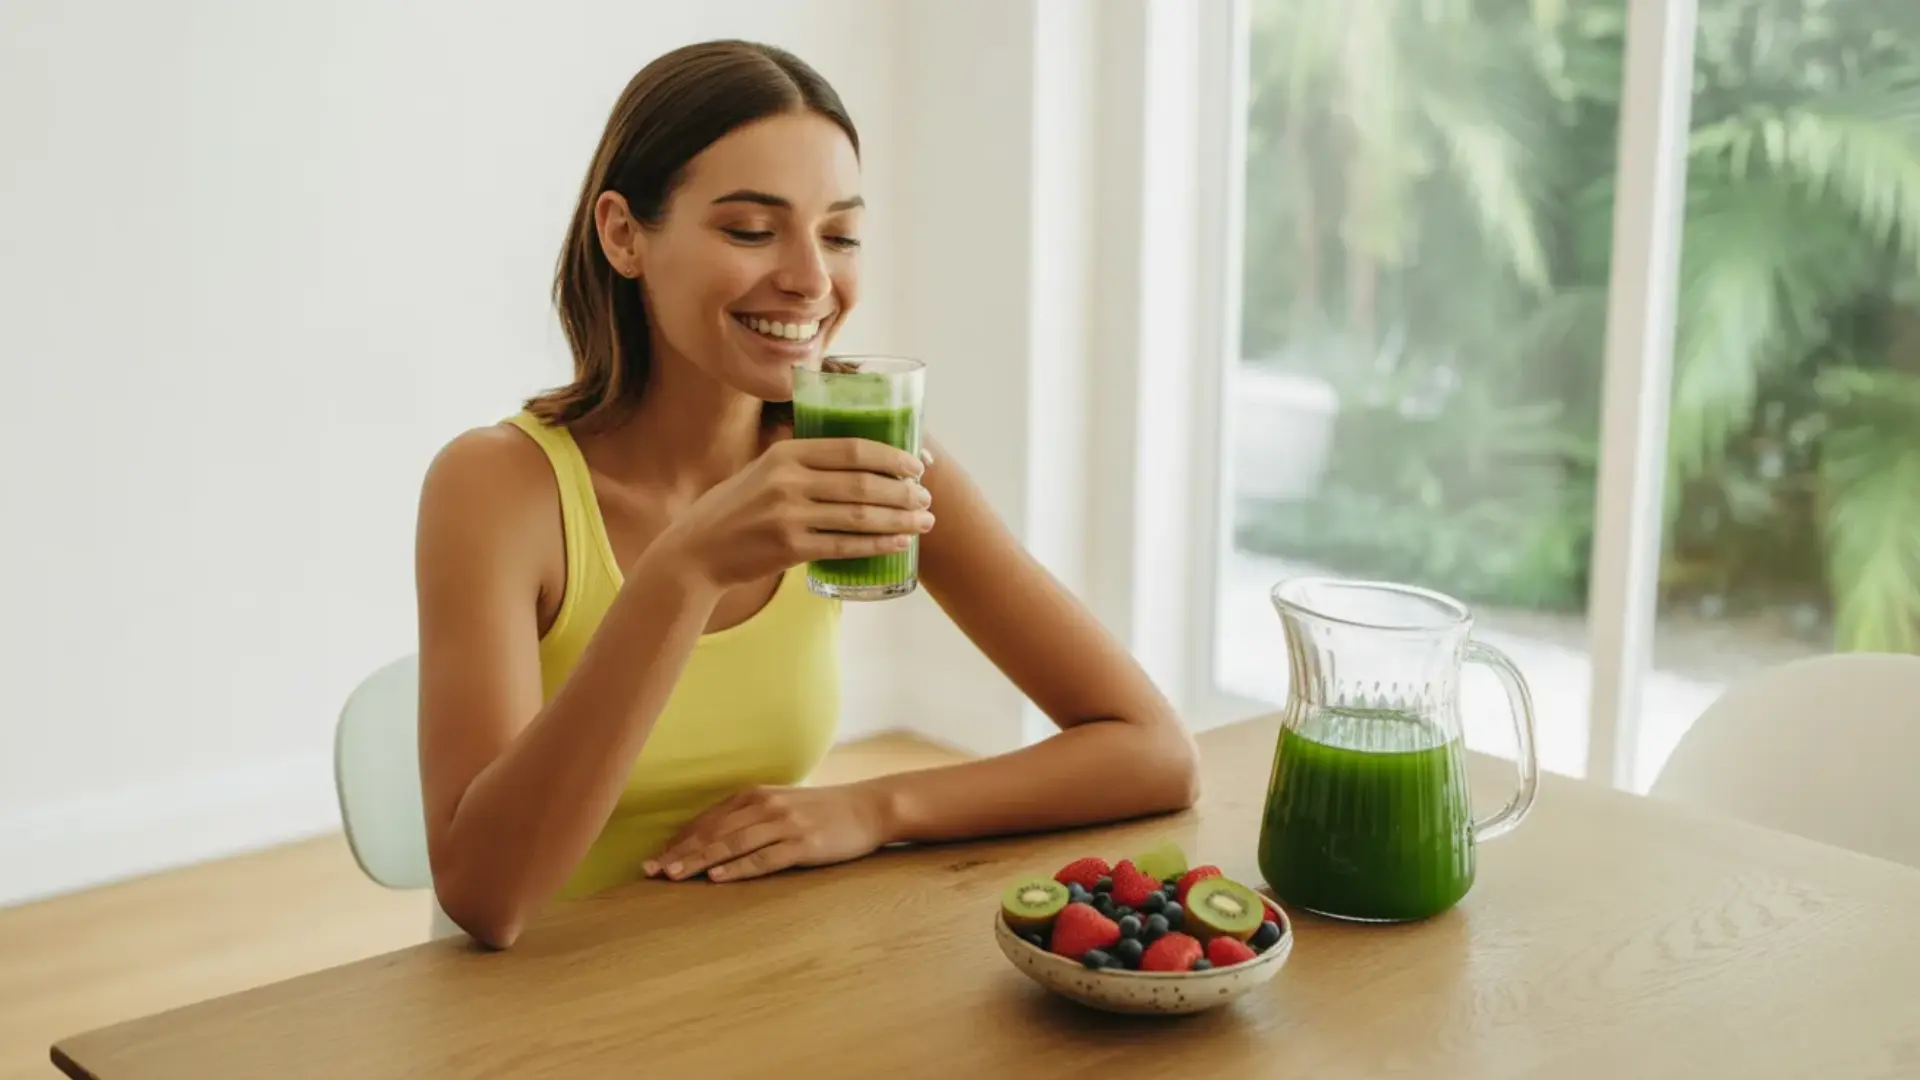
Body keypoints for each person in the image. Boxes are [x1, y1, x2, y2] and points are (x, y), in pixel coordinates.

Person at [414, 39, 1200, 949]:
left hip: (758, 971)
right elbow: (486, 896)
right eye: (751, 230)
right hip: (536, 1004)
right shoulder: (496, 488)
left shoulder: (864, 456)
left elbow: (1152, 751)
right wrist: (688, 567)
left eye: (840, 234)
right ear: (624, 234)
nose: (812, 280)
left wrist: (873, 808)